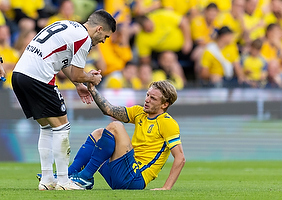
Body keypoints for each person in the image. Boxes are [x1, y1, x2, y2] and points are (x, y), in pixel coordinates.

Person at [11, 10, 116, 190]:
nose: (104, 41)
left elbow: (63, 64)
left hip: (20, 74)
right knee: (62, 127)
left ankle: (46, 180)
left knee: (46, 126)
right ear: (99, 29)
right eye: (105, 36)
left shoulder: (69, 26)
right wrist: (91, 79)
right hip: (39, 77)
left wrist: (77, 84)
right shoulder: (84, 39)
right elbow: (77, 73)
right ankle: (64, 181)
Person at [68, 80, 185, 190]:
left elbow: (180, 158)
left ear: (164, 105)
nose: (147, 100)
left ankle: (85, 177)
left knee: (116, 126)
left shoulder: (167, 123)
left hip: (135, 178)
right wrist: (92, 89)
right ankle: (67, 176)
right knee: (99, 133)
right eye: (147, 95)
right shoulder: (140, 112)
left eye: (153, 98)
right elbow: (109, 110)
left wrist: (166, 187)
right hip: (121, 173)